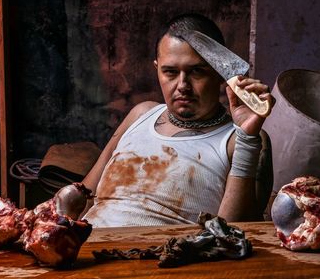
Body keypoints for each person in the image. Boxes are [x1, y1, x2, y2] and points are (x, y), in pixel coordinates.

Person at [81, 13, 274, 227]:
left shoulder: (238, 139)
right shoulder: (141, 114)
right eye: (170, 72)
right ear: (157, 70)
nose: (183, 85)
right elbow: (84, 196)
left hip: (162, 255)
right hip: (86, 248)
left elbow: (234, 234)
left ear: (220, 74)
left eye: (197, 71)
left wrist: (246, 138)